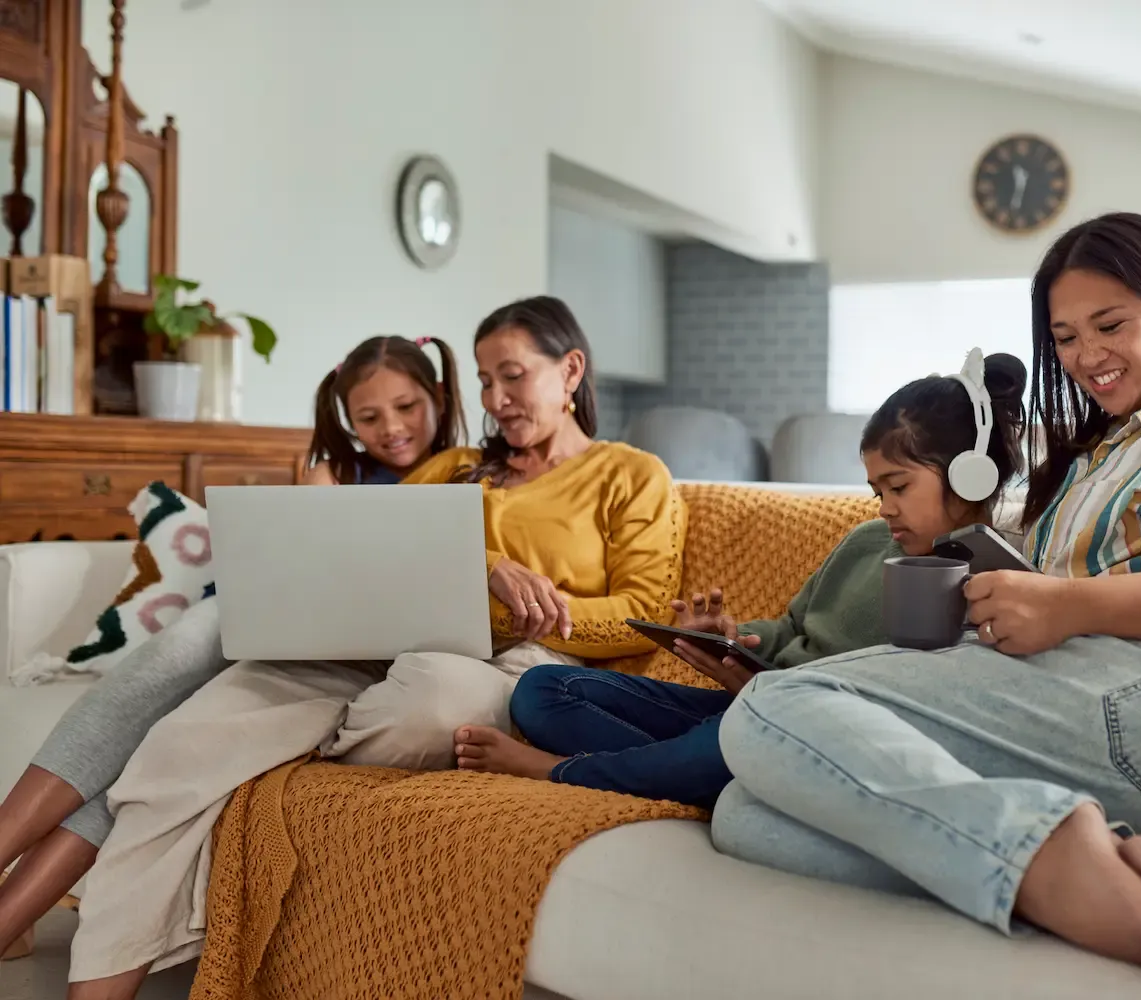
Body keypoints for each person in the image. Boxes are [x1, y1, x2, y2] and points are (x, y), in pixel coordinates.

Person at [712, 212, 1141, 986]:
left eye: (1108, 324)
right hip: (1085, 719)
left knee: (766, 707)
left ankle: (1054, 859)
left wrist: (1066, 605)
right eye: (1063, 337)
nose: (1086, 355)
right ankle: (1078, 857)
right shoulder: (1096, 452)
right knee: (747, 816)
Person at [59, 296, 684, 999]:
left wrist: (524, 614)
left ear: (570, 371)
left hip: (506, 662)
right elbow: (365, 536)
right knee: (172, 758)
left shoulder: (631, 475)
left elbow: (643, 613)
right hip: (373, 645)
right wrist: (481, 565)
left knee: (430, 698)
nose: (496, 399)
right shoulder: (454, 465)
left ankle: (283, 744)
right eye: (483, 381)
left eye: (512, 376)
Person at [0, 334, 466, 962]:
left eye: (407, 407)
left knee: (151, 761)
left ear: (438, 395)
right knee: (175, 653)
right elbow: (307, 566)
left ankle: (9, 920)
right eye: (370, 417)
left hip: (342, 656)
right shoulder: (331, 470)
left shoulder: (470, 475)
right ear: (347, 420)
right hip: (272, 620)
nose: (393, 429)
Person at [454, 351, 1029, 810]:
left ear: (968, 475)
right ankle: (692, 772)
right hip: (750, 705)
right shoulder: (866, 542)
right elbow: (792, 631)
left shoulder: (998, 582)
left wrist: (768, 695)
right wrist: (732, 640)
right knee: (544, 690)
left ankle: (564, 772)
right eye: (877, 491)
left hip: (805, 731)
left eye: (899, 488)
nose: (884, 508)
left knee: (737, 739)